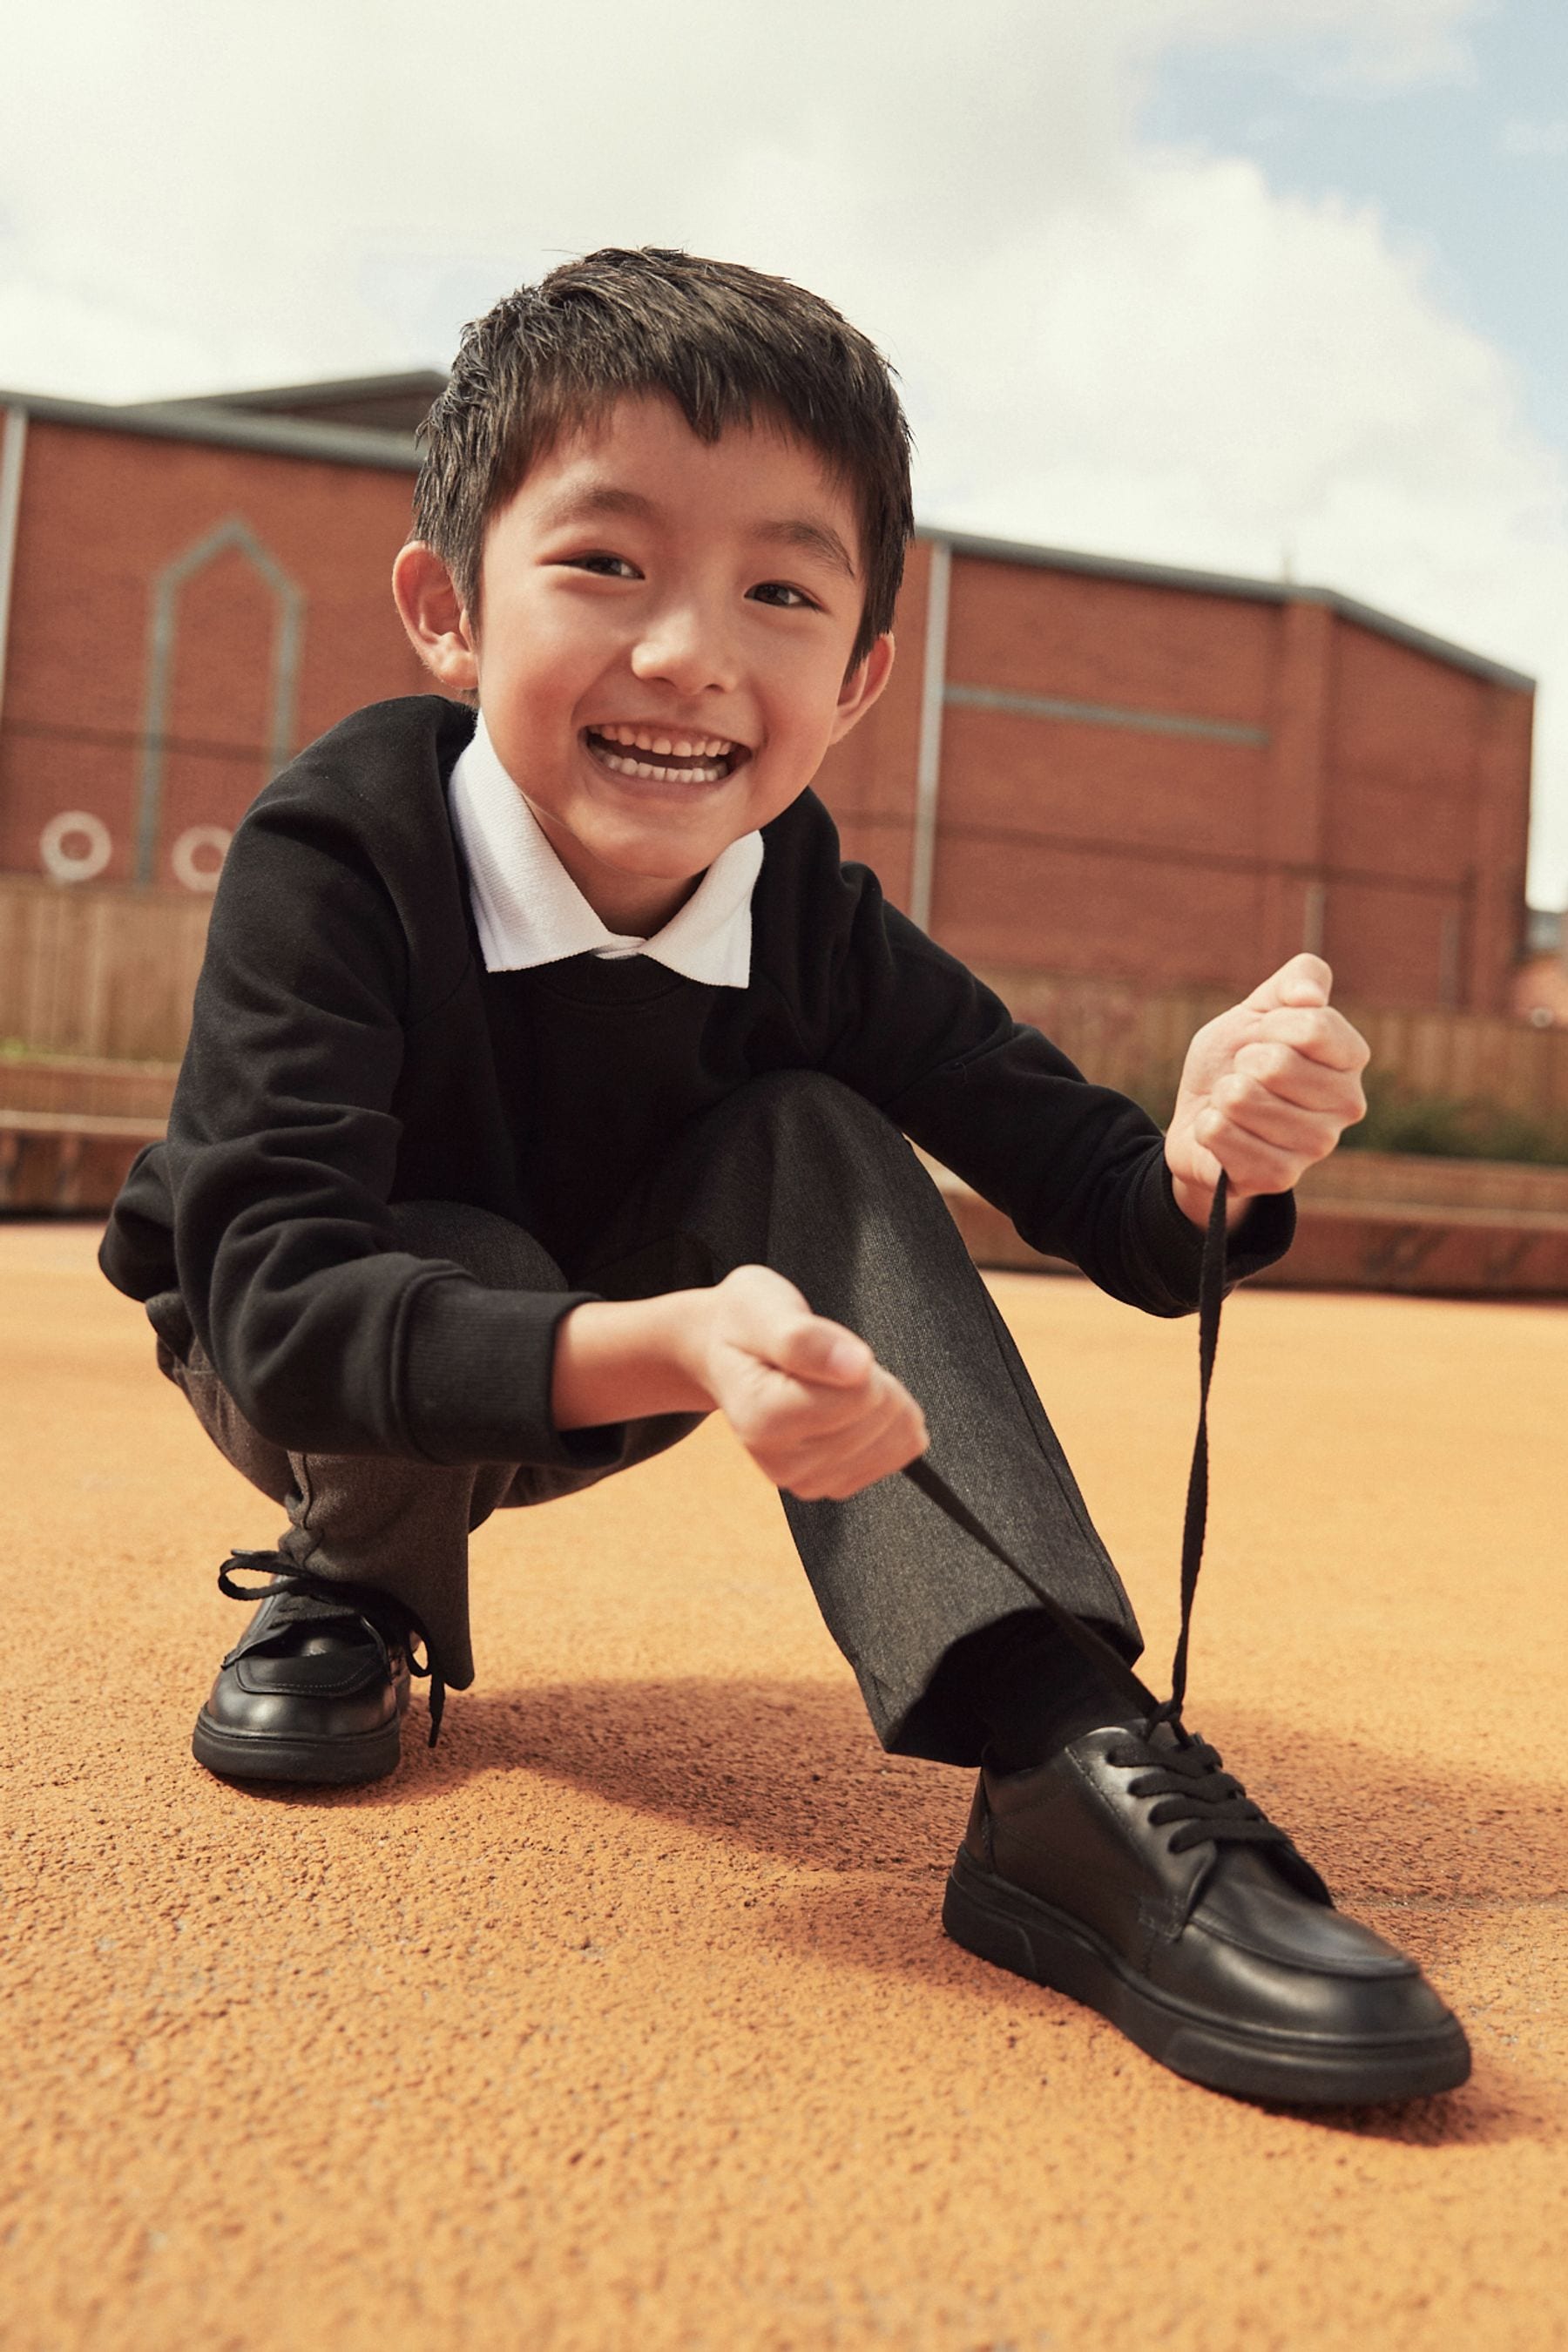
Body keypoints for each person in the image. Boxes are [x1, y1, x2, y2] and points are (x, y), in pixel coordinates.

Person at [100, 247, 1468, 2106]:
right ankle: (363, 1584)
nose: (691, 653)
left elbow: (1117, 1210)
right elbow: (272, 1308)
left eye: (780, 590)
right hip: (323, 1360)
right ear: (447, 608)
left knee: (815, 1129)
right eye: (605, 563)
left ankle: (1062, 1762)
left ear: (859, 673)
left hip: (680, 1335)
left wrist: (1215, 1150)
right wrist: (668, 1344)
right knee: (451, 1234)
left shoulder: (807, 915)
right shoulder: (339, 853)